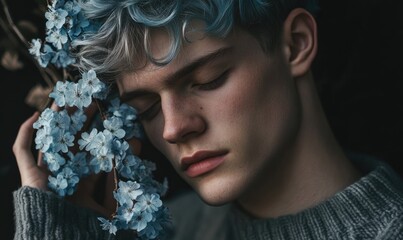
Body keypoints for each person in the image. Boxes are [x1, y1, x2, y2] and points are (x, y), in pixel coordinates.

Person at [12, 0, 403, 239]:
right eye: (145, 108)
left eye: (207, 80)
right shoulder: (171, 230)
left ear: (296, 43)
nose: (173, 127)